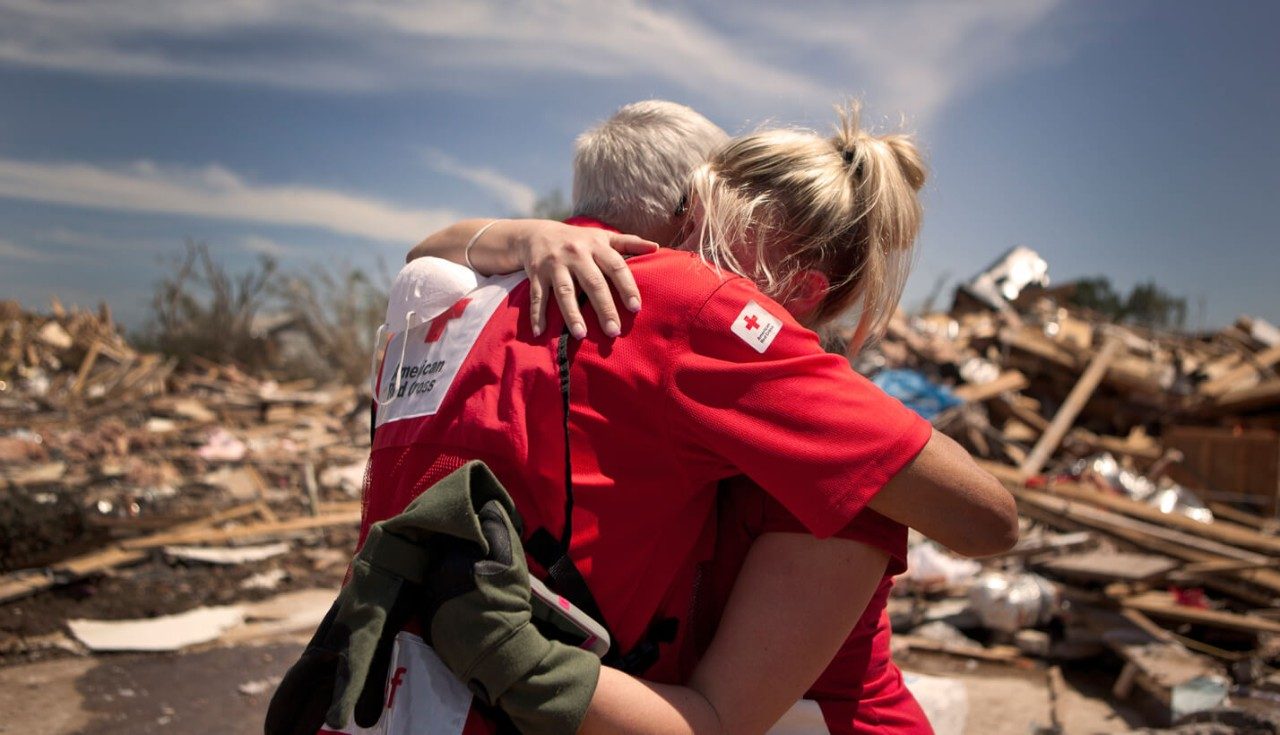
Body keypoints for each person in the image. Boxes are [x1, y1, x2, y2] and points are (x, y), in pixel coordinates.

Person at [355, 101, 1016, 733]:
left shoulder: (437, 302)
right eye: (691, 217)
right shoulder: (677, 327)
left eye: (711, 222)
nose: (695, 259)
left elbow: (714, 719)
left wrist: (503, 649)